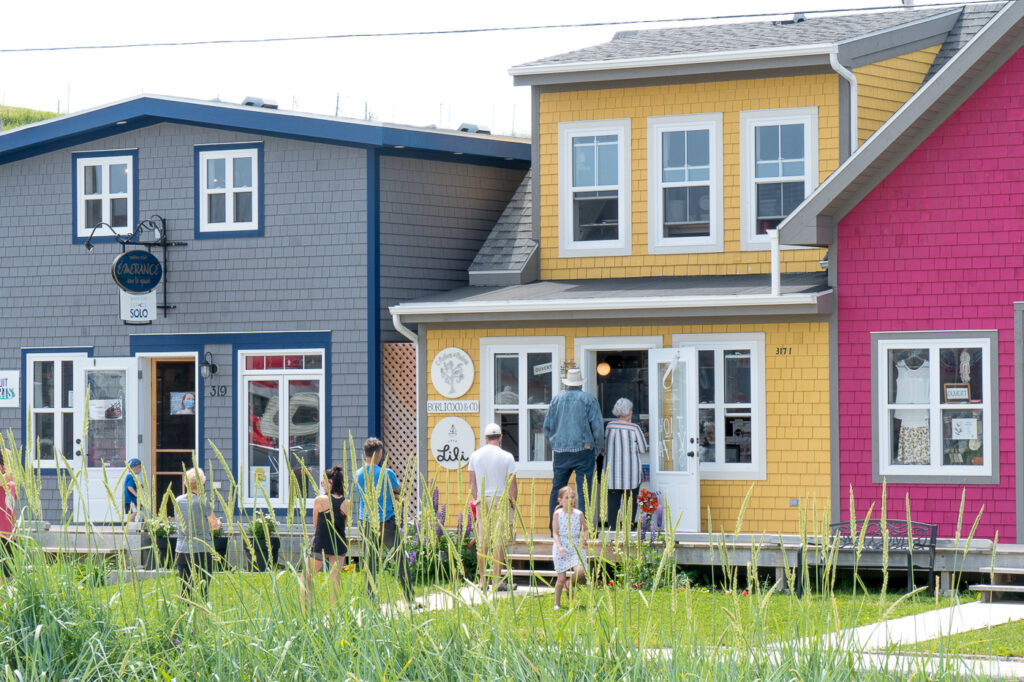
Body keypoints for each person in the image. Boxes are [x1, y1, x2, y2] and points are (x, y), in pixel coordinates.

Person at [354, 437, 416, 606]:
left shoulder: (358, 473)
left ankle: (371, 601)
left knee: (370, 561)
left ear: (365, 453)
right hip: (386, 521)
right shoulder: (386, 473)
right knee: (400, 559)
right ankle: (410, 599)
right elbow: (397, 491)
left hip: (365, 521)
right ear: (379, 454)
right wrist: (397, 498)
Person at [543, 367, 604, 530]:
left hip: (561, 452)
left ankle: (554, 529)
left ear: (567, 384)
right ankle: (583, 529)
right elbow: (597, 428)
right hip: (583, 451)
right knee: (584, 491)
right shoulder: (589, 400)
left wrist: (555, 445)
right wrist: (596, 449)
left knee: (557, 489)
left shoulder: (556, 400)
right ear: (580, 384)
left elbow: (547, 428)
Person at [467, 423, 518, 591]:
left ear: (485, 438)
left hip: (483, 499)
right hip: (501, 499)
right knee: (499, 541)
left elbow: (471, 483)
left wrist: (478, 499)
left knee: (483, 541)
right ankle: (496, 580)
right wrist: (513, 503)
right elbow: (512, 484)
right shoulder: (507, 456)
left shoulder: (475, 456)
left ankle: (482, 581)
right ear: (500, 437)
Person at [302, 465, 350, 608]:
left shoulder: (319, 500)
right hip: (339, 544)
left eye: (323, 482)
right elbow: (344, 525)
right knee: (335, 580)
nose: (322, 484)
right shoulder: (347, 503)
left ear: (331, 483)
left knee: (306, 577)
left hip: (321, 544)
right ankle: (334, 616)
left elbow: (316, 526)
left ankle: (306, 612)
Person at [174, 467, 221, 604]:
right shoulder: (203, 502)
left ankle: (186, 617)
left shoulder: (177, 500)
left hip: (182, 549)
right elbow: (214, 526)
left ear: (185, 483)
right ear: (202, 482)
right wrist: (217, 522)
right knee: (202, 589)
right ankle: (201, 619)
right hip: (201, 549)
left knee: (185, 589)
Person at [603, 398, 648, 529]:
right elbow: (643, 448)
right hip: (631, 473)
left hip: (612, 473)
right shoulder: (634, 428)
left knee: (613, 504)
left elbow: (604, 446)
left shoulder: (609, 426)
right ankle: (628, 528)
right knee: (630, 502)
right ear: (628, 411)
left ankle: (612, 529)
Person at [552, 486, 587, 610]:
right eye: (567, 498)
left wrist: (584, 540)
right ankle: (557, 602)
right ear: (560, 500)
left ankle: (569, 583)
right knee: (560, 578)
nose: (571, 500)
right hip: (561, 547)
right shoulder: (557, 514)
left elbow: (585, 529)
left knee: (581, 571)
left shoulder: (579, 514)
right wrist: (560, 546)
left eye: (572, 497)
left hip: (575, 546)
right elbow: (555, 533)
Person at [0, 458, 16, 583]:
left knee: (9, 575)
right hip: (2, 535)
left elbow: (8, 476)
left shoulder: (11, 486)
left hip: (10, 536)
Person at [123, 458, 142, 522]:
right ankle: (129, 526)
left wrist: (139, 486)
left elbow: (133, 485)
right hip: (131, 500)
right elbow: (129, 486)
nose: (141, 469)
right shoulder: (131, 477)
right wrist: (136, 494)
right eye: (139, 467)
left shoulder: (131, 476)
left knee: (133, 512)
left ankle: (132, 528)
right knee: (135, 512)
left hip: (130, 499)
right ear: (134, 468)